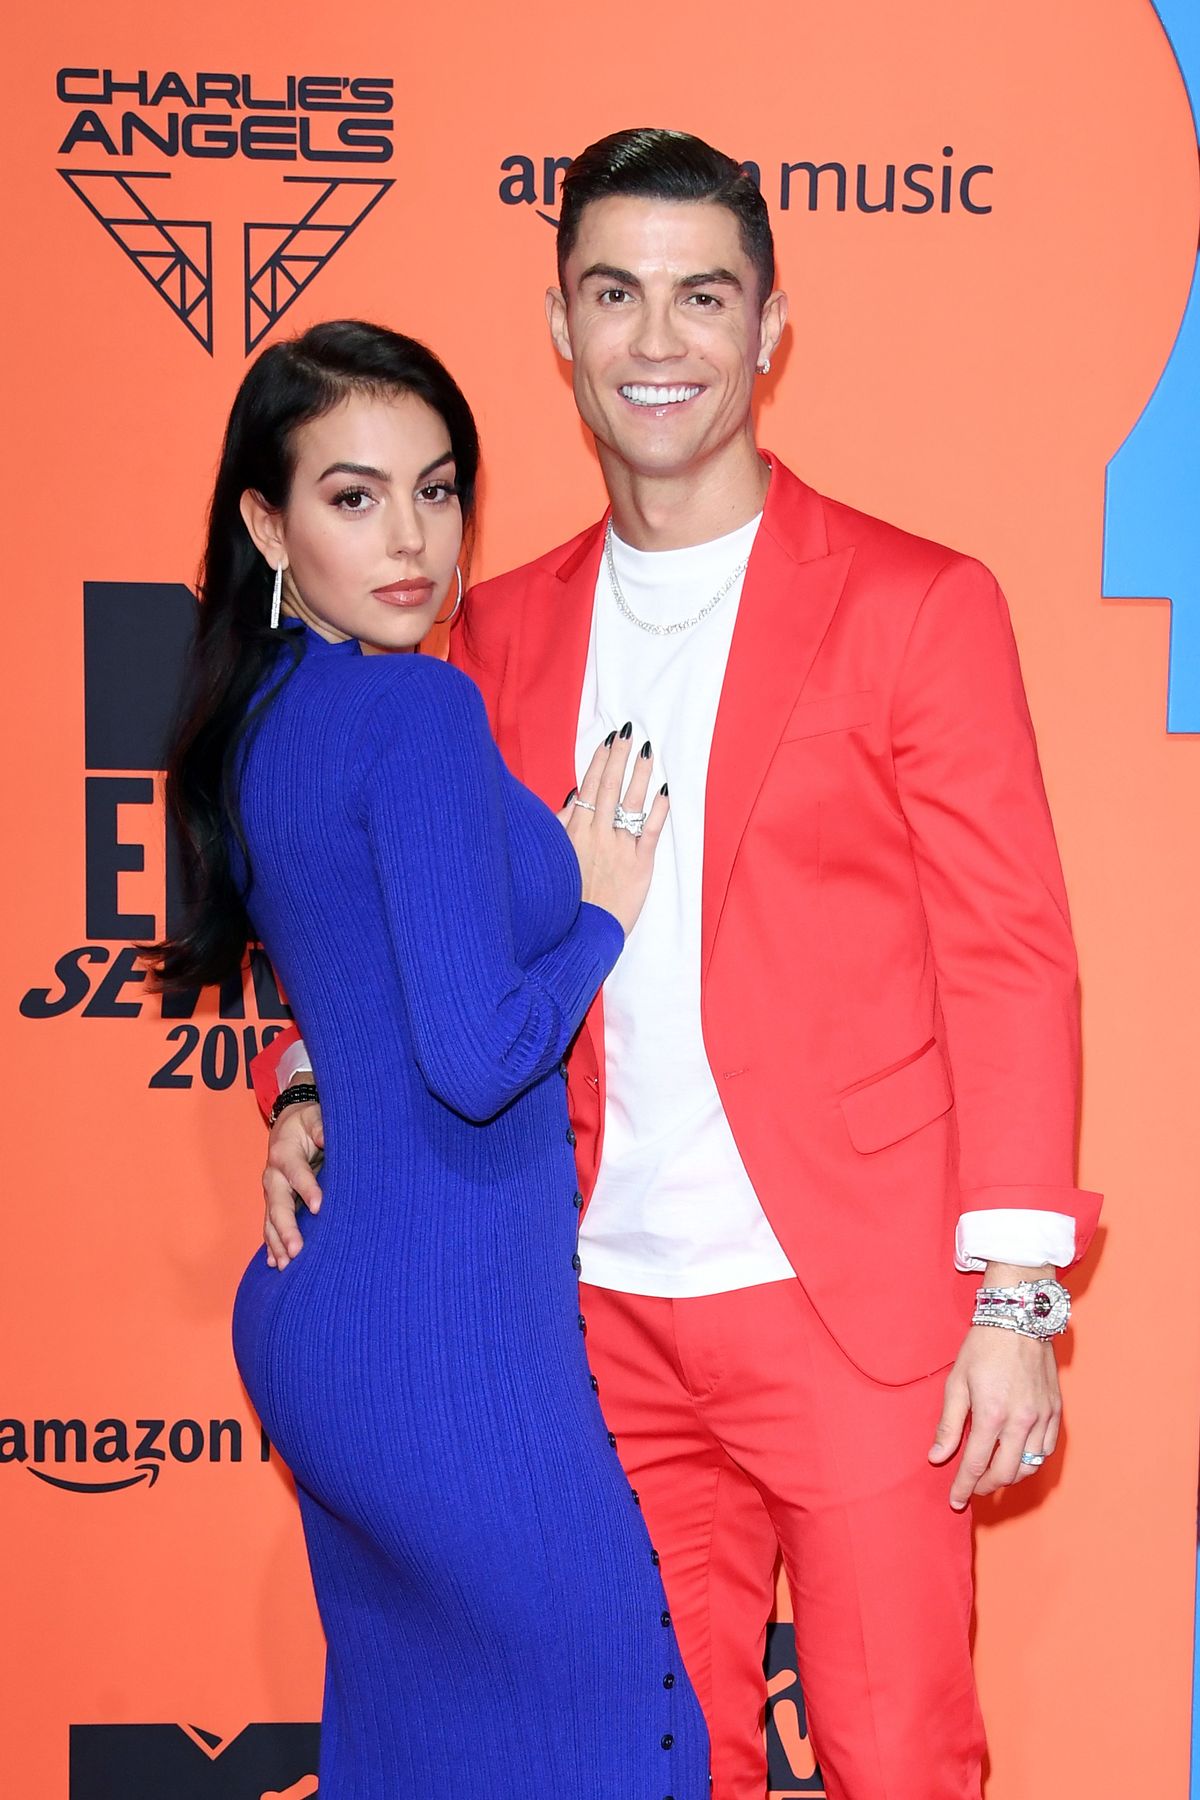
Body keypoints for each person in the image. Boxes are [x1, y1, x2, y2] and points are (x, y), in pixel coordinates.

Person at [257, 136, 1102, 1800]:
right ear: (559, 329)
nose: (658, 341)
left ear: (770, 326)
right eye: (615, 294)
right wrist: (305, 1079)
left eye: (703, 297)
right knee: (639, 1766)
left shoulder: (918, 601)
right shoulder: (490, 627)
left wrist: (1016, 1298)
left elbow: (1010, 956)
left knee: (896, 1758)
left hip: (853, 1312)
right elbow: (384, 893)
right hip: (579, 1315)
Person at [145, 318, 710, 1800]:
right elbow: (475, 1055)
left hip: (322, 1323)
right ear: (269, 523)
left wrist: (303, 1085)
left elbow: (353, 984)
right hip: (450, 1333)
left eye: (437, 489)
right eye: (354, 496)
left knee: (420, 1754)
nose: (411, 538)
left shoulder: (262, 717)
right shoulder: (417, 709)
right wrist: (600, 908)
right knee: (626, 1743)